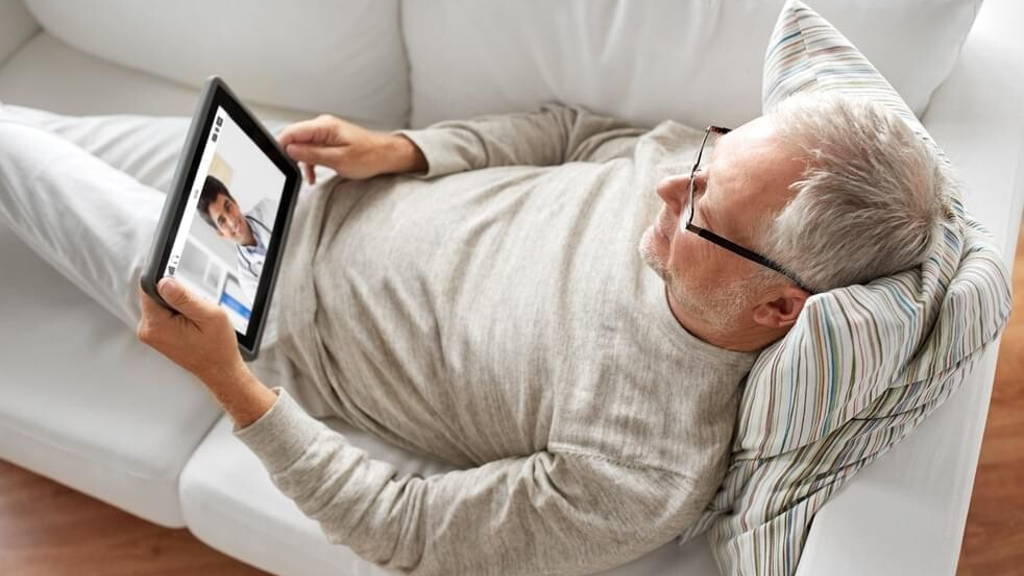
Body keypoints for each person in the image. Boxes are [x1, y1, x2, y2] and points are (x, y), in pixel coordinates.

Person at [0, 92, 947, 575]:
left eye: (704, 211)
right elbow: (576, 132)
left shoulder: (641, 474)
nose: (669, 185)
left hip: (262, 307)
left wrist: (229, 383)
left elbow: (406, 530)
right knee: (26, 129)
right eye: (706, 158)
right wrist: (405, 149)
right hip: (297, 189)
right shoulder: (700, 171)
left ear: (778, 307)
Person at [195, 174, 278, 304]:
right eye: (222, 221)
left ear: (235, 202)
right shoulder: (247, 279)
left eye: (228, 207)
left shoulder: (269, 208)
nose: (232, 221)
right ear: (220, 233)